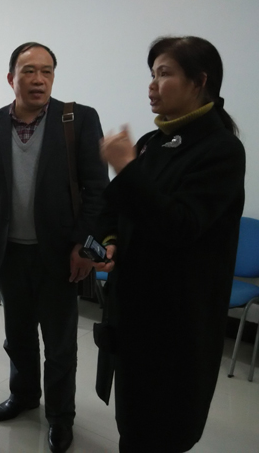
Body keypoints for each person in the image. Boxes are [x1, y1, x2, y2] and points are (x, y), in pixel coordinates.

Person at [93, 36, 246, 453]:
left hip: (177, 325)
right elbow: (116, 207)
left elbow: (180, 225)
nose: (152, 85)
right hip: (134, 315)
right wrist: (110, 242)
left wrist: (126, 168)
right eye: (152, 74)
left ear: (199, 81)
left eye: (164, 74)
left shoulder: (222, 150)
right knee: (132, 425)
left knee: (163, 429)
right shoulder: (152, 141)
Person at [0, 42, 109, 453]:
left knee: (60, 345)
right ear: (11, 78)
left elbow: (97, 189)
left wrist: (83, 246)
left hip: (60, 255)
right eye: (29, 71)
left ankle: (61, 417)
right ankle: (25, 395)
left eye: (47, 71)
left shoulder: (78, 120)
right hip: (9, 253)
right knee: (18, 336)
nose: (39, 79)